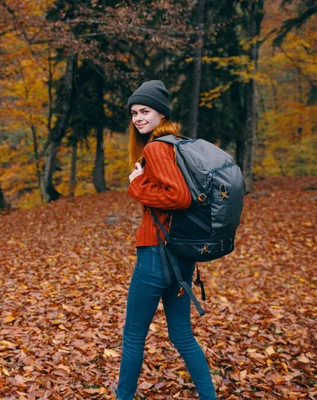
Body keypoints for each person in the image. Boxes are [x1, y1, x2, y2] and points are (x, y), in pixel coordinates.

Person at [114, 80, 217, 400]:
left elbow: (180, 196)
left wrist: (136, 184)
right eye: (133, 112)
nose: (138, 118)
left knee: (133, 337)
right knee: (182, 334)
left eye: (145, 111)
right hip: (179, 255)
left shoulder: (157, 148)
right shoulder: (176, 144)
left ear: (161, 113)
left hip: (155, 255)